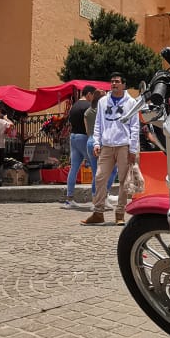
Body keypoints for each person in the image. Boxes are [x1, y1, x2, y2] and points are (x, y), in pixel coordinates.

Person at [84, 74, 139, 226]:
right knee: (100, 177)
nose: (114, 84)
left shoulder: (131, 102)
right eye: (112, 82)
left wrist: (133, 149)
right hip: (107, 145)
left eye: (117, 82)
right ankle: (98, 212)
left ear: (123, 84)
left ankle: (120, 213)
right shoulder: (102, 101)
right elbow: (98, 124)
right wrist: (97, 143)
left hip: (124, 145)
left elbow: (135, 127)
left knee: (123, 180)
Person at [62, 88, 95, 209]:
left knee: (74, 168)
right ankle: (95, 200)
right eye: (93, 95)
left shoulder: (74, 106)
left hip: (73, 137)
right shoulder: (88, 106)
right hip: (84, 137)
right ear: (89, 94)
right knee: (95, 167)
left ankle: (69, 199)